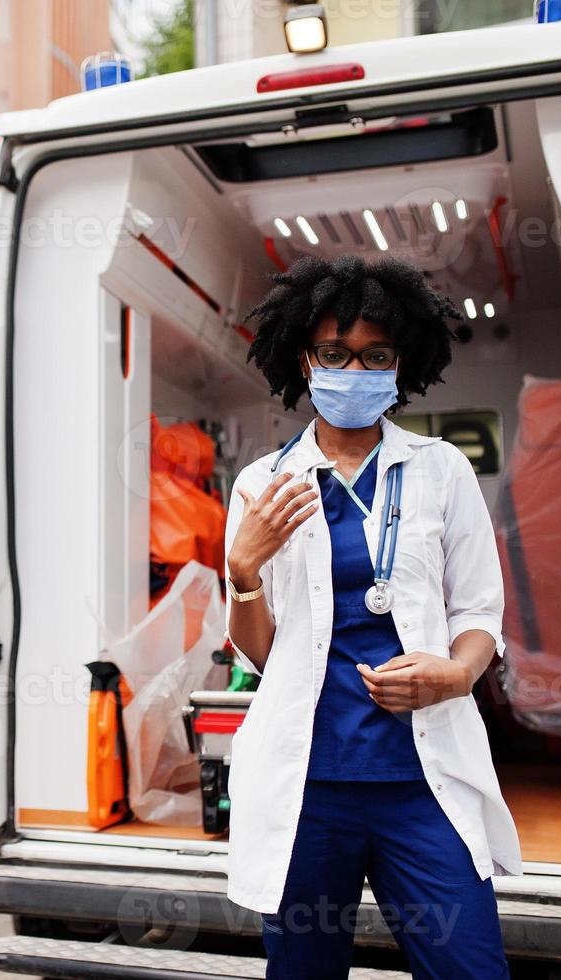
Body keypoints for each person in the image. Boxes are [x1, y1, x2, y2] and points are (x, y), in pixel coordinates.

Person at [222, 255, 521, 979]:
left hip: (419, 780)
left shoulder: (439, 469)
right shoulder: (262, 484)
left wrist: (454, 673)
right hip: (309, 782)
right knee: (302, 972)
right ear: (304, 357)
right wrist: (243, 570)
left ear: (398, 363)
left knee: (471, 969)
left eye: (373, 357)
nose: (351, 371)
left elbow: (479, 607)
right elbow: (259, 655)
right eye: (333, 354)